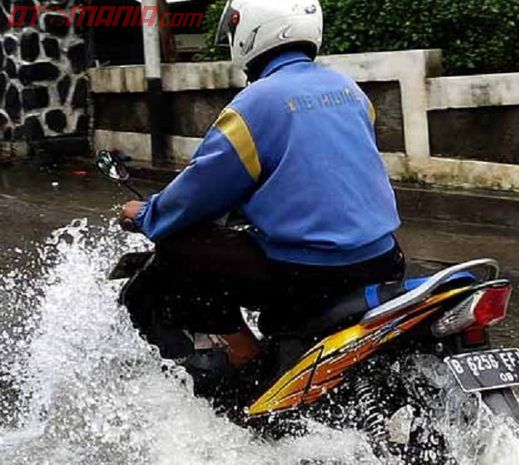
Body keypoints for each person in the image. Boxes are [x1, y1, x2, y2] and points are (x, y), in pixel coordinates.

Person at [118, 0, 404, 365]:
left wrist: (146, 214)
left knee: (178, 247)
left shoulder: (253, 106)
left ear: (249, 32)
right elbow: (321, 170)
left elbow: (197, 193)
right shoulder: (350, 91)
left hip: (311, 274)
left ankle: (245, 359)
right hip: (384, 259)